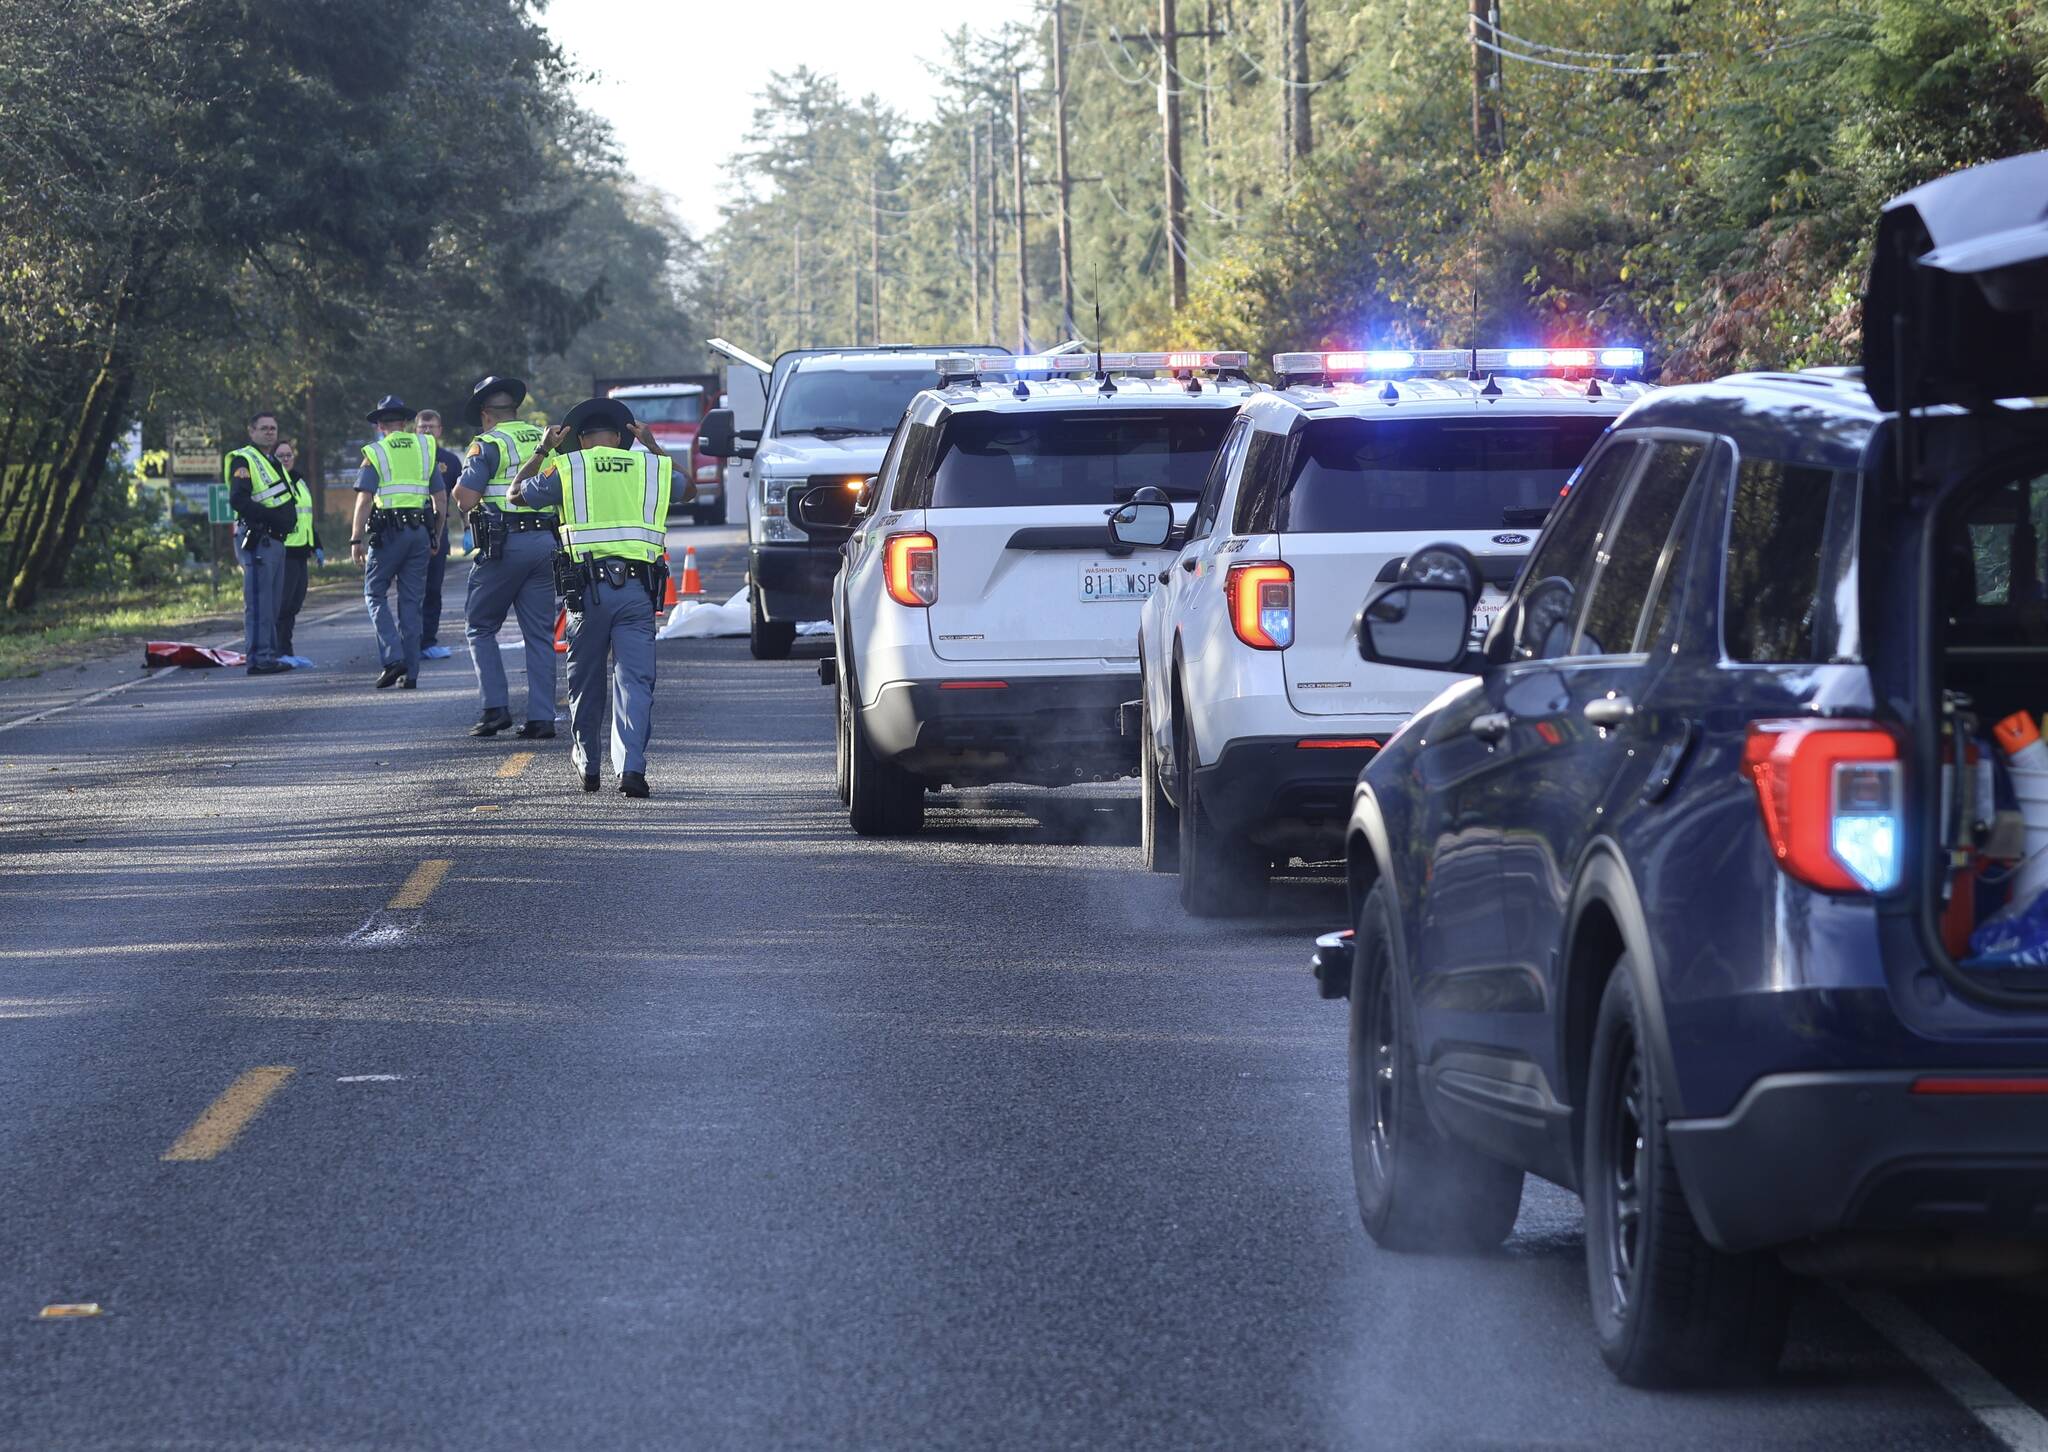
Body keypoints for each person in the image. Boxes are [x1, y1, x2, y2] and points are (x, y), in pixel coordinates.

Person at [507, 397, 674, 796]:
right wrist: (653, 446)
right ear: (621, 438)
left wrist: (543, 449)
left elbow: (514, 495)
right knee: (635, 681)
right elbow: (683, 487)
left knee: (585, 682)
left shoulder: (567, 467)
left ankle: (589, 764)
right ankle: (632, 767)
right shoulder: (649, 467)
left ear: (580, 440)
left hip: (588, 594)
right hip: (638, 592)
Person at [448, 375, 558, 739]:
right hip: (545, 542)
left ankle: (495, 709)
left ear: (485, 415)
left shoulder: (488, 443)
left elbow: (466, 498)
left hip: (504, 547)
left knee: (480, 627)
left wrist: (456, 491)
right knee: (539, 635)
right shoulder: (545, 440)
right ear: (514, 409)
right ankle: (542, 717)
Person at [349, 395, 446, 689]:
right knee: (411, 603)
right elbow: (439, 499)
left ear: (380, 425)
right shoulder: (426, 446)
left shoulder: (375, 451)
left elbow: (364, 498)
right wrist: (436, 536)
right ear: (404, 423)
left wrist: (355, 539)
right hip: (419, 534)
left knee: (374, 592)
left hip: (389, 534)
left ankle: (393, 658)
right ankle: (411, 674)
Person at [223, 410, 296, 677]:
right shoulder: (244, 459)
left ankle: (269, 655)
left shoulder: (271, 461)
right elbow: (239, 500)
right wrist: (271, 518)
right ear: (251, 431)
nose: (269, 432)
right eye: (264, 428)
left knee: (272, 605)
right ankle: (259, 659)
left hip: (275, 541)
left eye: (273, 428)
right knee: (260, 603)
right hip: (259, 540)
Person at [414, 408, 461, 661]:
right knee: (411, 590)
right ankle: (410, 640)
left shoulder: (450, 461)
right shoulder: (410, 456)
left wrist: (468, 529)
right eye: (423, 427)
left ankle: (428, 641)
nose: (427, 431)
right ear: (415, 429)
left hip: (438, 531)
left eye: (432, 427)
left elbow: (462, 496)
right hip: (410, 530)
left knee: (433, 588)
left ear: (440, 430)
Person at [273, 439, 322, 667]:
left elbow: (306, 517)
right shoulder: (275, 481)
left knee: (294, 603)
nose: (285, 459)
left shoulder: (299, 481)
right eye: (280, 456)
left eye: (288, 455)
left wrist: (317, 544)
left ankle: (286, 649)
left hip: (302, 550)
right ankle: (278, 650)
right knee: (283, 605)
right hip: (285, 550)